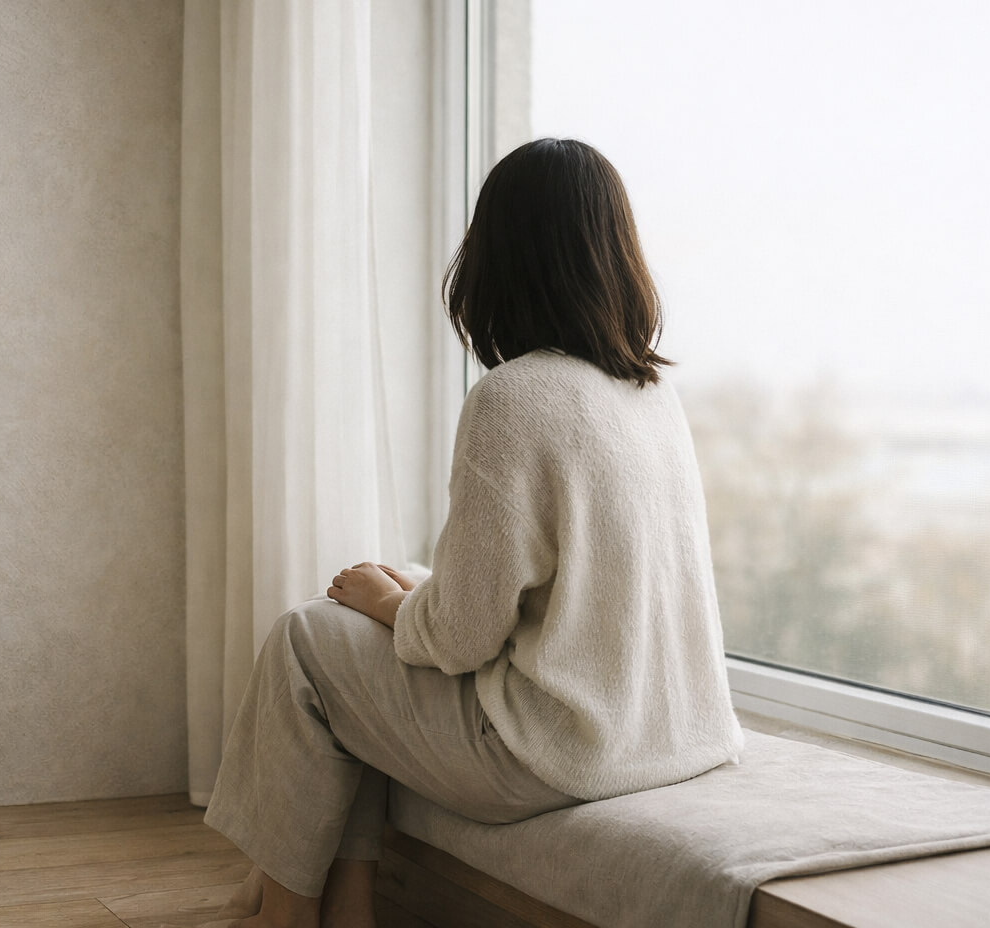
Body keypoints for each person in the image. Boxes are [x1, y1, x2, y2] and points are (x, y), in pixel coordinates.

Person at [199, 138, 745, 928]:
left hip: (555, 756)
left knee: (306, 638)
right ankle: (347, 904)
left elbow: (458, 640)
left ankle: (283, 915)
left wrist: (389, 601)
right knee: (369, 628)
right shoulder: (650, 395)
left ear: (496, 260)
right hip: (673, 736)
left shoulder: (513, 399)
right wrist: (411, 593)